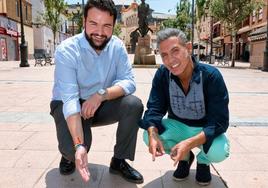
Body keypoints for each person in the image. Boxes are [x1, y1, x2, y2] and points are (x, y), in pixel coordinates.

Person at [50, 0, 144, 184]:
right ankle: (68, 155)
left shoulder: (117, 46)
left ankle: (119, 161)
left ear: (114, 26)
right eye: (93, 23)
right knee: (75, 148)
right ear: (84, 21)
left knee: (133, 104)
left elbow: (129, 82)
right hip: (70, 104)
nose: (100, 33)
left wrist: (100, 95)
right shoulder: (67, 50)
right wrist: (79, 145)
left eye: (106, 26)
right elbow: (69, 100)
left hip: (100, 103)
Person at [140, 28, 230, 186]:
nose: (170, 60)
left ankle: (203, 161)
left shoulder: (211, 75)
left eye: (175, 51)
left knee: (219, 150)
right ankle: (185, 158)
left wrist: (190, 142)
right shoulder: (163, 74)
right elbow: (154, 108)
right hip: (178, 126)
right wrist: (153, 132)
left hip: (204, 129)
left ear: (188, 48)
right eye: (164, 55)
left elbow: (220, 120)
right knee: (149, 135)